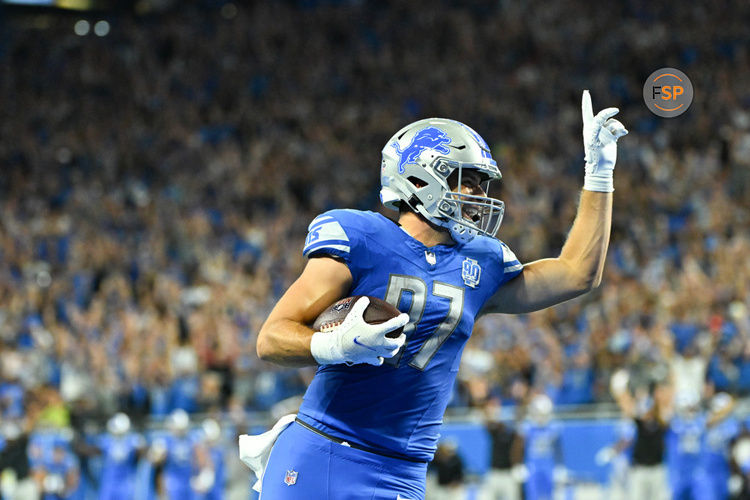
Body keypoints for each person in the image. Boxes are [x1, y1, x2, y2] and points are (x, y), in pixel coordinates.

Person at [253, 91, 627, 499]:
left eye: (482, 184)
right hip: (326, 451)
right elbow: (270, 339)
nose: (478, 196)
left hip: (404, 470)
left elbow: (578, 273)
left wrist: (599, 174)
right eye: (467, 181)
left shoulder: (481, 263)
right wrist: (333, 344)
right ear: (418, 179)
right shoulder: (363, 237)